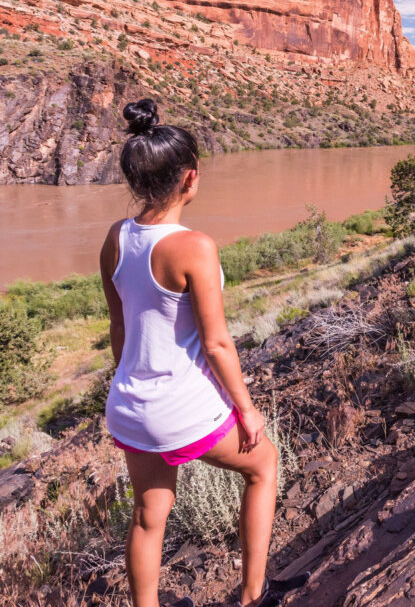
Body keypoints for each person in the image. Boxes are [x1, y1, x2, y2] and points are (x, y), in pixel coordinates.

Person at [100, 99, 308, 607]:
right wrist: (247, 408)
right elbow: (216, 343)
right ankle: (253, 594)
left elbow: (120, 327)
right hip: (183, 411)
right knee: (263, 466)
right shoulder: (194, 245)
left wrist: (131, 388)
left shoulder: (116, 237)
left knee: (149, 520)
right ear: (190, 178)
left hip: (129, 407)